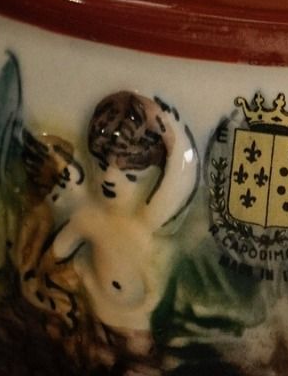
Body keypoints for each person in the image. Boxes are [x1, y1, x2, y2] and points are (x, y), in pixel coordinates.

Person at [47, 91, 198, 334]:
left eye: (130, 176)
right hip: (93, 314)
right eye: (102, 165)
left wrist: (167, 128)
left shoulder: (146, 222)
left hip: (136, 325)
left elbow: (179, 182)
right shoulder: (89, 219)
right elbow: (55, 256)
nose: (109, 178)